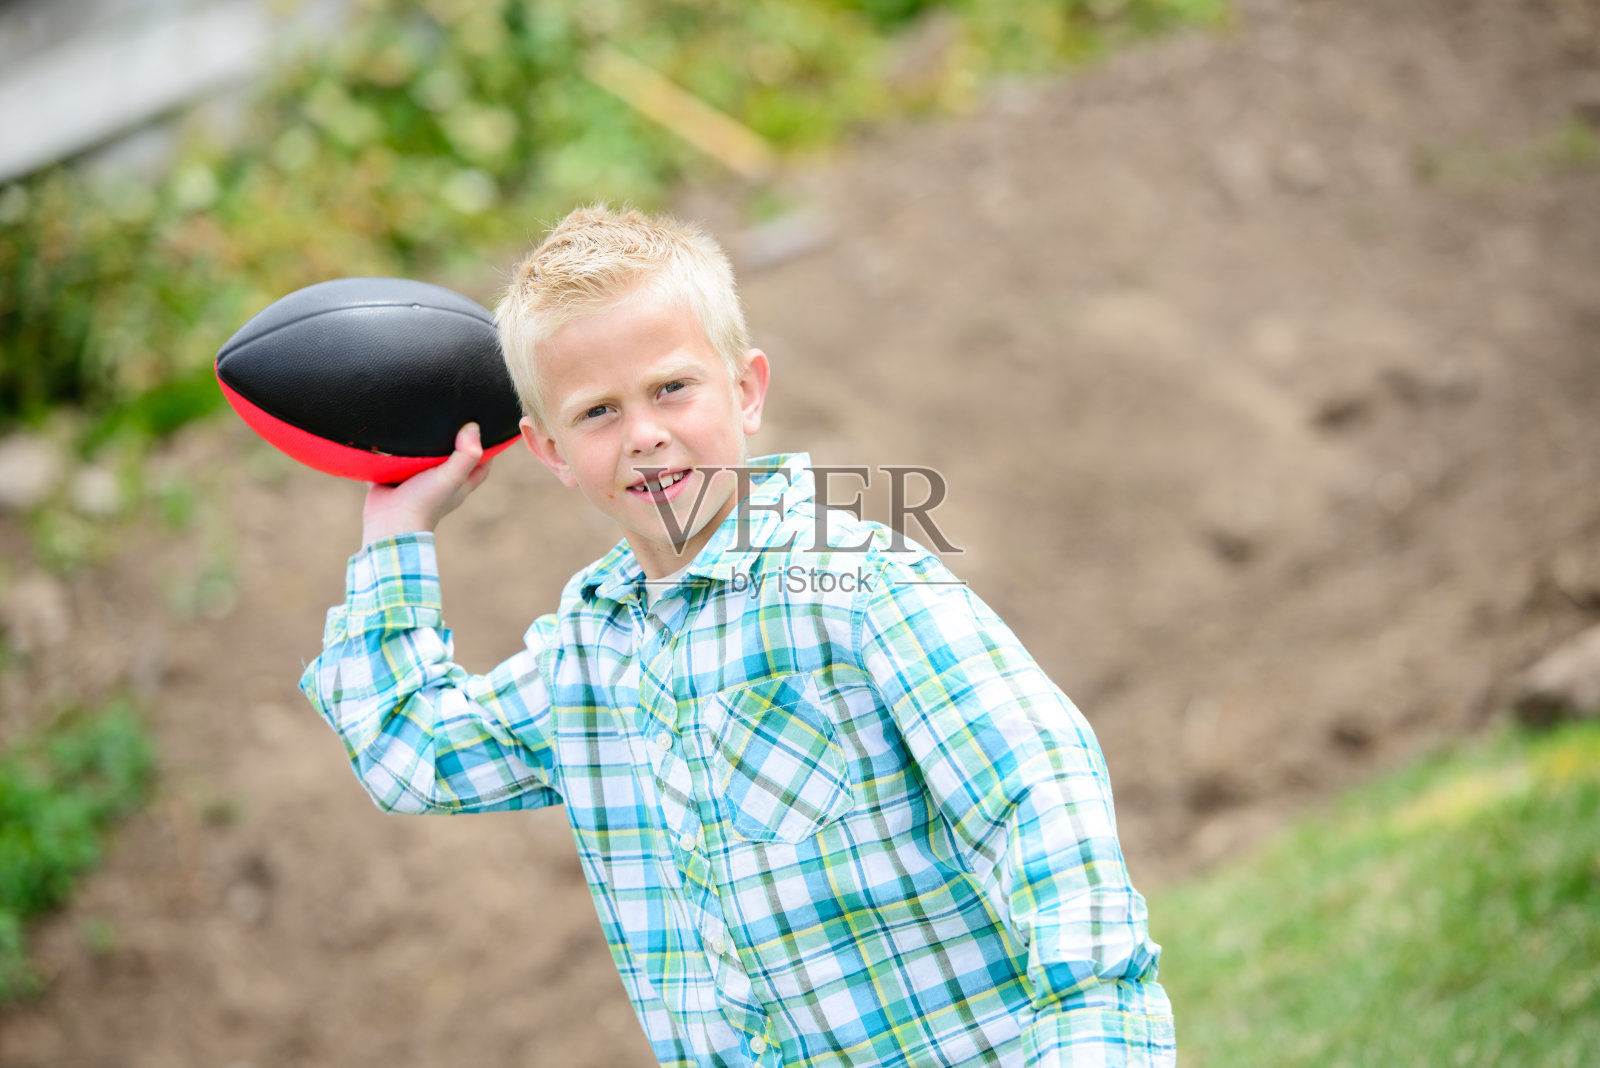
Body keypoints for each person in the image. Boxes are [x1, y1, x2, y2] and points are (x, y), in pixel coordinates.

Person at [300, 204, 1175, 1067]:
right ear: (550, 450)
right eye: (597, 412)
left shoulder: (856, 588)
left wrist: (1090, 1034)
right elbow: (414, 754)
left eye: (671, 388)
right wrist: (396, 536)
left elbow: (1038, 794)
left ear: (747, 390)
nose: (645, 434)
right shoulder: (589, 657)